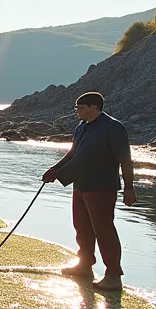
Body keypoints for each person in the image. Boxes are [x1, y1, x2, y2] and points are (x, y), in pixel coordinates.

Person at [41, 92, 135, 292]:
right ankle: (84, 265)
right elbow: (73, 154)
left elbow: (125, 159)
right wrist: (54, 170)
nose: (76, 111)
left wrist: (129, 188)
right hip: (81, 185)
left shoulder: (113, 127)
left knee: (103, 229)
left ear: (93, 107)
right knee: (81, 226)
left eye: (79, 107)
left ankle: (113, 275)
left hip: (102, 187)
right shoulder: (81, 127)